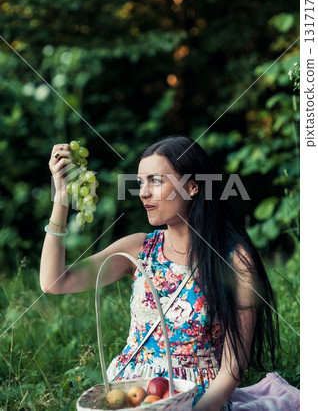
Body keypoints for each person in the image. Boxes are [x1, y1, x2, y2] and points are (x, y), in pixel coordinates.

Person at [40, 135, 278, 410]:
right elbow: (54, 282)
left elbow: (232, 369)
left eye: (155, 181)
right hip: (130, 394)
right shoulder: (139, 248)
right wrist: (61, 199)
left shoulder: (234, 261)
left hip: (195, 400)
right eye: (141, 182)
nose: (143, 192)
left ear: (191, 187)